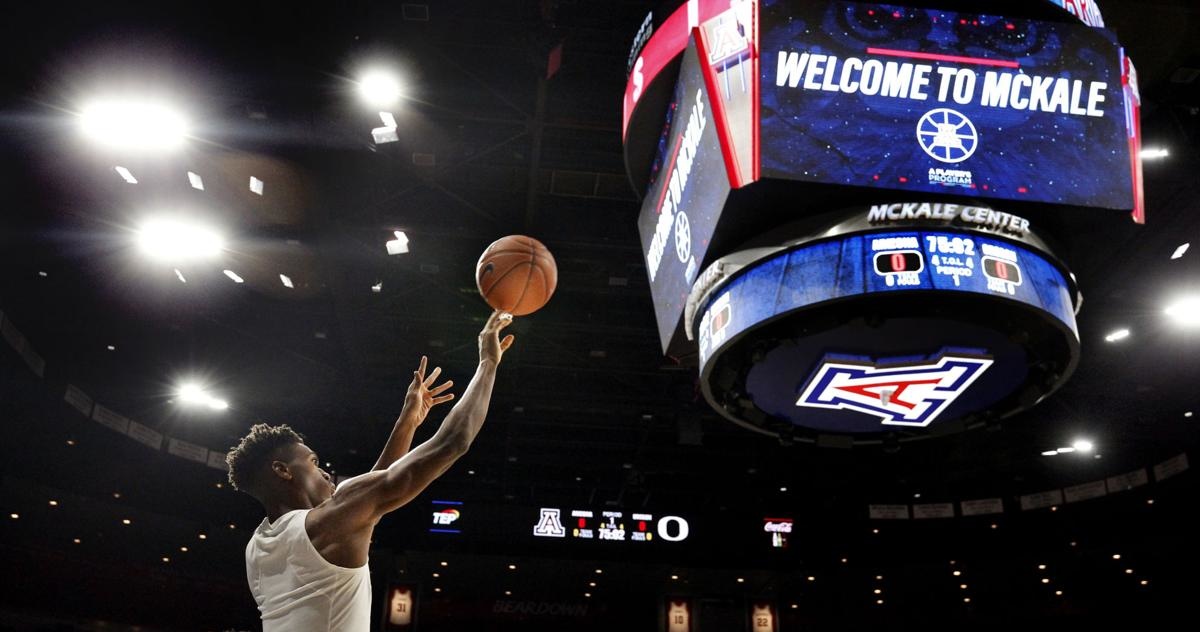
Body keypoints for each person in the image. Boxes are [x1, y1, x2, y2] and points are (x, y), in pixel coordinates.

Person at [224, 309, 515, 631]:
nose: (325, 473)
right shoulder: (328, 523)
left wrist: (408, 422)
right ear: (282, 471)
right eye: (313, 462)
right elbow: (453, 442)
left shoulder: (259, 545)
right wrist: (488, 362)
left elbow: (370, 492)